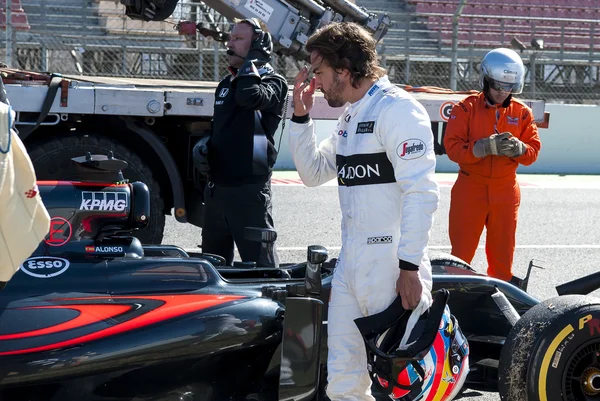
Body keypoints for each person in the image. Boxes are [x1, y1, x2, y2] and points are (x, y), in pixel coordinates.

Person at [288, 22, 440, 401]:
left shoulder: (399, 109)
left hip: (391, 265)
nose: (316, 83)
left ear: (343, 70)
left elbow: (422, 193)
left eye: (319, 72)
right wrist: (302, 116)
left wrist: (408, 267)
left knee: (402, 383)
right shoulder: (350, 118)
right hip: (351, 264)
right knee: (343, 383)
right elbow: (311, 174)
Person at [443, 47, 541, 283]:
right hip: (470, 188)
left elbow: (533, 151)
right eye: (497, 85)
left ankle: (500, 300)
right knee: (461, 255)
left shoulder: (523, 113)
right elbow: (452, 148)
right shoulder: (464, 108)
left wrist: (519, 149)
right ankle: (454, 301)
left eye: (508, 87)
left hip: (506, 191)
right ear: (485, 80)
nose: (501, 92)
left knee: (502, 256)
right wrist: (481, 148)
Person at [197, 18, 288, 267]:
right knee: (211, 271)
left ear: (259, 45)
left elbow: (249, 98)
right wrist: (204, 144)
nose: (229, 43)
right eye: (230, 37)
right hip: (217, 193)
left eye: (238, 39)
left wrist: (254, 62)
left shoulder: (274, 82)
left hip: (249, 195)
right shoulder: (226, 84)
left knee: (263, 272)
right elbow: (222, 128)